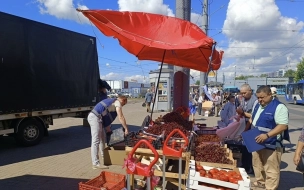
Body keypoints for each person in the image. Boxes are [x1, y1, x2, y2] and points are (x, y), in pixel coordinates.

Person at [249, 85, 289, 189]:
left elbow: (282, 126)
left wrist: (267, 135)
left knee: (271, 168)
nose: (259, 100)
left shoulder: (279, 107)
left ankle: (270, 187)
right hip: (257, 142)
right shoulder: (258, 105)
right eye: (258, 97)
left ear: (270, 95)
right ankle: (261, 182)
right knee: (257, 164)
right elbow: (253, 120)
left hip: (271, 143)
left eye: (262, 97)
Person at [88, 96, 129, 169]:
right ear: (122, 100)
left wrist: (108, 130)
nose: (123, 106)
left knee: (102, 139)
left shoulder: (111, 101)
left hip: (97, 118)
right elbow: (121, 117)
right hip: (95, 118)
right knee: (96, 140)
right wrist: (126, 129)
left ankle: (105, 158)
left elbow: (105, 115)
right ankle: (95, 163)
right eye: (124, 104)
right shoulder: (117, 102)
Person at [236, 84, 258, 174]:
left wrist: (243, 113)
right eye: (242, 93)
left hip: (251, 127)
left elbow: (254, 116)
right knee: (244, 147)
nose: (243, 95)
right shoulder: (243, 100)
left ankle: (250, 168)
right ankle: (245, 165)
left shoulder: (255, 101)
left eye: (245, 93)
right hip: (245, 125)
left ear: (250, 91)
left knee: (250, 149)